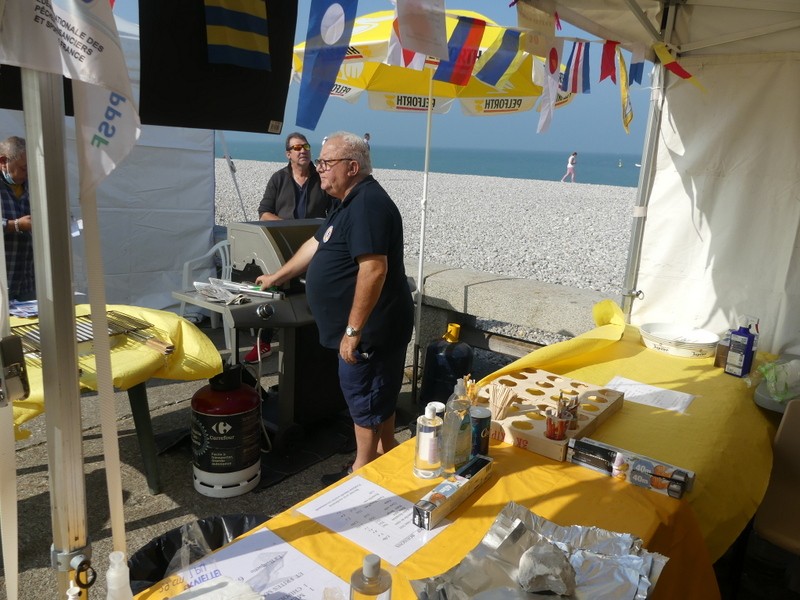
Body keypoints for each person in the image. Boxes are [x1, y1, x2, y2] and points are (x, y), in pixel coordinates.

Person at [255, 131, 413, 485]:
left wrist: (353, 332)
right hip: (368, 328)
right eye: (320, 162)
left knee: (364, 399)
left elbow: (374, 269)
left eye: (326, 162)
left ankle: (362, 472)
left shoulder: (369, 205)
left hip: (371, 331)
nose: (318, 168)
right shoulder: (345, 203)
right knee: (380, 396)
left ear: (352, 167)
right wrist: (277, 276)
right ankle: (389, 456)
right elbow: (315, 244)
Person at [244, 132, 334, 363]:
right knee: (275, 290)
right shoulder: (278, 179)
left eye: (305, 146)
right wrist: (287, 226)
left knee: (314, 290)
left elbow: (335, 210)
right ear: (288, 154)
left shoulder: (322, 177)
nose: (302, 150)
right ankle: (264, 342)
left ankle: (315, 341)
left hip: (314, 245)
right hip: (281, 244)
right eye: (296, 148)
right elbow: (264, 212)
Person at [0, 136, 35, 301]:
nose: (27, 174)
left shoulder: (34, 187)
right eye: (24, 168)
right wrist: (15, 225)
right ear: (3, 162)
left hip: (27, 285)